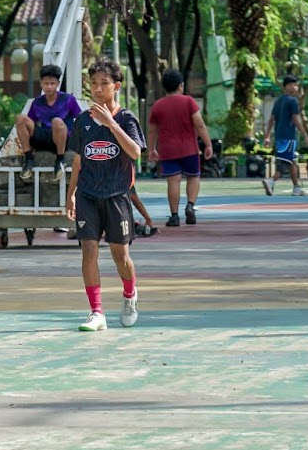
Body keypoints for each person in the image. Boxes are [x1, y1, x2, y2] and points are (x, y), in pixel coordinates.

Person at [64, 57, 144, 332]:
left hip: (116, 195)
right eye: (93, 83)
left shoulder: (126, 118)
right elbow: (78, 160)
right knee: (88, 251)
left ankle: (129, 295)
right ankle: (96, 311)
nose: (98, 89)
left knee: (120, 255)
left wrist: (111, 124)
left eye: (104, 84)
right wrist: (71, 193)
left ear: (116, 86)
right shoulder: (82, 120)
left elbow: (135, 152)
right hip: (87, 194)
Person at [147, 69, 215, 226]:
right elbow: (199, 124)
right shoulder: (189, 102)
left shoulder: (158, 106)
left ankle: (174, 216)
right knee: (193, 177)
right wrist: (208, 144)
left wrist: (152, 149)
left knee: (173, 182)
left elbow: (151, 130)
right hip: (189, 148)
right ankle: (190, 206)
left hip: (167, 150)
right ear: (180, 85)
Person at [15, 65, 82, 176]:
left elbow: (80, 118)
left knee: (56, 121)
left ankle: (60, 160)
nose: (49, 87)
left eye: (52, 84)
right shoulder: (37, 102)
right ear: (41, 83)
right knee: (20, 118)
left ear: (58, 84)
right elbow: (29, 124)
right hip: (44, 137)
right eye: (46, 84)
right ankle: (29, 158)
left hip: (63, 139)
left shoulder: (68, 99)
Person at [261, 76, 308, 197]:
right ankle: (271, 180)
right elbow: (295, 119)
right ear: (287, 86)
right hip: (289, 136)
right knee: (285, 163)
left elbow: (271, 119)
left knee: (292, 161)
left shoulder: (278, 101)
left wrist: (267, 136)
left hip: (279, 136)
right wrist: (306, 135)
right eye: (294, 85)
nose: (296, 87)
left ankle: (296, 188)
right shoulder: (293, 101)